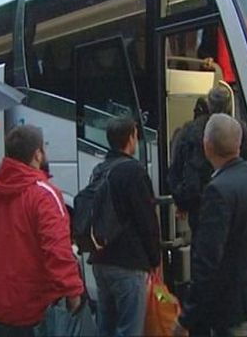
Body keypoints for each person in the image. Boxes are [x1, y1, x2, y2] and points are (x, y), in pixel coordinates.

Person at [173, 113, 247, 336]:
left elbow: (207, 261)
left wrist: (186, 319)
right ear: (239, 144)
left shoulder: (218, 190)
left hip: (232, 303)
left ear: (207, 145)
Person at [0, 125, 83, 337]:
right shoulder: (44, 195)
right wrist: (73, 292)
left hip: (0, 304)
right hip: (35, 306)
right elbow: (57, 249)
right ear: (37, 154)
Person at [90, 116, 160, 337]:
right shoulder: (134, 171)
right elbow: (146, 220)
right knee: (130, 329)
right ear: (131, 138)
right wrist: (155, 259)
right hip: (129, 263)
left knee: (107, 327)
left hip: (101, 260)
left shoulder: (99, 170)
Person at [167, 86, 247, 237]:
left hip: (200, 207)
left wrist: (182, 201)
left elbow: (178, 169)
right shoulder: (240, 129)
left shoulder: (191, 131)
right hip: (236, 203)